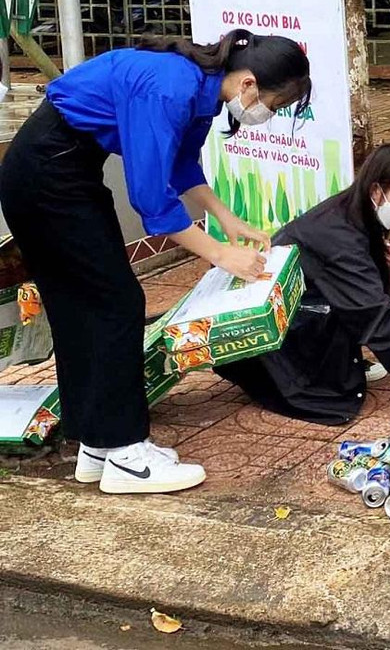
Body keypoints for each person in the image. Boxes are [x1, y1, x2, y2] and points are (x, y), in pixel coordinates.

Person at [0, 30, 312, 494]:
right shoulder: (172, 86)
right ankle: (128, 455)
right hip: (49, 175)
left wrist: (228, 220)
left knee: (84, 306)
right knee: (115, 306)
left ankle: (97, 444)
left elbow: (182, 165)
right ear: (248, 84)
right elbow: (152, 199)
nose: (272, 112)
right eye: (277, 101)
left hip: (64, 171)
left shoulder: (202, 87)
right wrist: (222, 255)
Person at [216, 144, 390, 425]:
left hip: (299, 301)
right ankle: (305, 370)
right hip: (276, 336)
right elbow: (375, 318)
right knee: (337, 383)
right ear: (375, 191)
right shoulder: (338, 238)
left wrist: (372, 249)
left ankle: (338, 358)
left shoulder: (349, 208)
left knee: (383, 277)